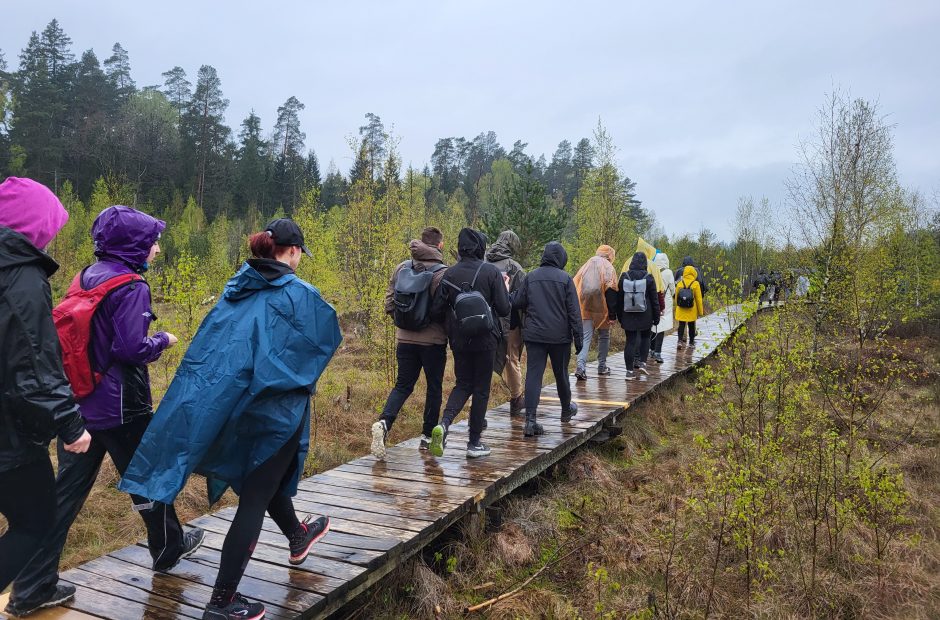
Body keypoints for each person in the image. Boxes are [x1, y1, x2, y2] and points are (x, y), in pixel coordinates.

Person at [120, 218, 342, 620]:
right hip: (275, 411)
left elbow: (213, 352)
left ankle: (297, 534)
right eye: (299, 254)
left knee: (262, 478)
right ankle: (222, 601)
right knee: (256, 494)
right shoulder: (299, 294)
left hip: (232, 407)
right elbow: (324, 342)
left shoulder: (236, 288)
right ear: (292, 252)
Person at [7, 205, 203, 618]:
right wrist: (163, 340)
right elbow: (129, 348)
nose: (156, 248)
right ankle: (168, 549)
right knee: (149, 476)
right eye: (152, 242)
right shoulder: (132, 286)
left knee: (63, 495)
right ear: (134, 245)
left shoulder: (84, 276)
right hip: (122, 405)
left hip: (79, 404)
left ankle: (32, 586)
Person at [0, 178, 92, 606]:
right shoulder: (20, 277)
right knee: (36, 518)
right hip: (8, 435)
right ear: (33, 225)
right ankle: (31, 593)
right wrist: (70, 424)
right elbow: (34, 361)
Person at [428, 228, 510, 459]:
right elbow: (504, 308)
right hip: (486, 339)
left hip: (460, 339)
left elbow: (436, 311)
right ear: (481, 247)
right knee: (481, 389)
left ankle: (443, 425)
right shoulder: (491, 272)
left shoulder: (449, 274)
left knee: (463, 384)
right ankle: (474, 443)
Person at [371, 227, 448, 459]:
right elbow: (445, 309)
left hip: (404, 339)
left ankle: (383, 424)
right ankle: (426, 438)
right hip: (433, 341)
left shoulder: (402, 267)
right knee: (434, 387)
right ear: (440, 246)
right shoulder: (442, 273)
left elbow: (389, 301)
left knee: (403, 385)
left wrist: (401, 322)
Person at [512, 242, 582, 436]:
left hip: (534, 335)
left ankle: (530, 421)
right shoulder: (566, 279)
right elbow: (574, 312)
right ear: (561, 258)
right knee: (561, 374)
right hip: (560, 337)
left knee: (534, 375)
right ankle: (566, 410)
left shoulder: (531, 277)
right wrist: (579, 339)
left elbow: (517, 302)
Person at [486, 230, 527, 416]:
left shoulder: (483, 262)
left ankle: (474, 408)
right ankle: (517, 399)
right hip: (509, 322)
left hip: (485, 321)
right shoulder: (514, 267)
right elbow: (524, 297)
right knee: (512, 359)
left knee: (482, 363)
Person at [574, 245, 618, 381]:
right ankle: (602, 366)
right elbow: (611, 291)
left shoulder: (586, 265)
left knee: (585, 338)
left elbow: (576, 285)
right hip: (602, 309)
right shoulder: (609, 267)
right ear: (610, 255)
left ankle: (580, 367)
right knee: (604, 336)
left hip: (585, 308)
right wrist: (612, 315)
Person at [616, 252, 660, 379]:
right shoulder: (649, 277)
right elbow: (654, 300)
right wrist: (656, 318)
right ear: (645, 263)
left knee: (630, 342)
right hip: (646, 315)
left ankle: (629, 372)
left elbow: (619, 299)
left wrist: (620, 316)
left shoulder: (624, 277)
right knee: (646, 338)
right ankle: (642, 363)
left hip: (628, 315)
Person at [650, 252, 676, 363]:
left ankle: (650, 350)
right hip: (665, 303)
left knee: (653, 326)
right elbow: (673, 289)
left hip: (653, 301)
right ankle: (658, 352)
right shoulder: (668, 272)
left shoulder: (652, 270)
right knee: (661, 328)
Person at [675, 256, 705, 349]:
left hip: (681, 308)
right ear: (693, 273)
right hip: (692, 308)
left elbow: (676, 297)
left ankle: (679, 341)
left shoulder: (680, 283)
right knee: (691, 326)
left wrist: (678, 306)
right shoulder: (695, 284)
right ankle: (691, 343)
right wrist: (700, 312)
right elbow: (699, 299)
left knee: (681, 325)